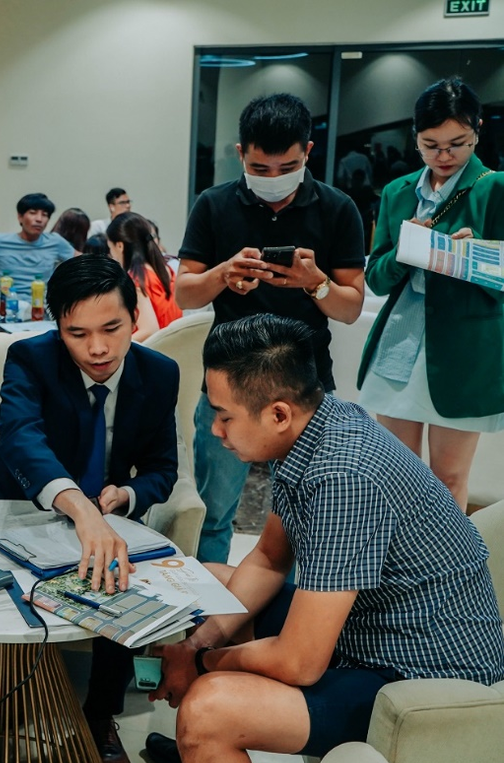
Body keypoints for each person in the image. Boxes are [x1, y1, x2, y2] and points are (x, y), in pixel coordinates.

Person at [144, 314, 504, 763]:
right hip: (370, 630)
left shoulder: (344, 478)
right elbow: (269, 558)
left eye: (225, 416)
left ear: (278, 414)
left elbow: (299, 663)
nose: (216, 429)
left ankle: (205, 740)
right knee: (210, 582)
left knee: (208, 709)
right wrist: (194, 646)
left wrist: (204, 664)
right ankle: (204, 761)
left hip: (420, 674)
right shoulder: (315, 425)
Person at [0, 254, 179, 763]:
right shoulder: (31, 357)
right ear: (58, 328)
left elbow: (163, 467)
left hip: (104, 508)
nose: (97, 348)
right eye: (78, 333)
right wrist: (82, 509)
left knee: (117, 574)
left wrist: (127, 495)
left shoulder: (159, 372)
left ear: (134, 317)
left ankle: (100, 718)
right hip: (9, 497)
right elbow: (20, 437)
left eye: (111, 329)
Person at [174, 92, 366, 565]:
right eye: (260, 168)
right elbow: (185, 294)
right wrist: (223, 274)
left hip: (305, 385)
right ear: (241, 153)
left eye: (288, 167)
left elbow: (350, 309)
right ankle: (211, 599)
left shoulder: (338, 208)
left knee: (309, 513)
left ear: (308, 152)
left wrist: (314, 283)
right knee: (213, 511)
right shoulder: (214, 204)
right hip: (228, 385)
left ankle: (298, 603)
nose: (274, 179)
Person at [357, 78, 504, 511]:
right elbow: (377, 279)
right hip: (400, 343)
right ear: (415, 137)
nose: (444, 156)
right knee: (396, 475)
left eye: (457, 144)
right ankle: (399, 554)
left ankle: (448, 557)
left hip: (464, 352)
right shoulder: (398, 192)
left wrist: (475, 255)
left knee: (449, 478)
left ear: (477, 130)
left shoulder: (494, 188)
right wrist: (406, 251)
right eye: (430, 145)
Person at [0, 193, 75, 302]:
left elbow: (83, 260)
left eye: (44, 215)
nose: (39, 219)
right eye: (33, 213)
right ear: (20, 217)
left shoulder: (55, 242)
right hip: (8, 308)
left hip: (41, 308)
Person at [105, 211, 182, 341]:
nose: (111, 254)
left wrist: (116, 345)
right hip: (174, 345)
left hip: (154, 348)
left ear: (119, 246)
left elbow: (149, 330)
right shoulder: (165, 270)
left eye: (110, 248)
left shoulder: (136, 280)